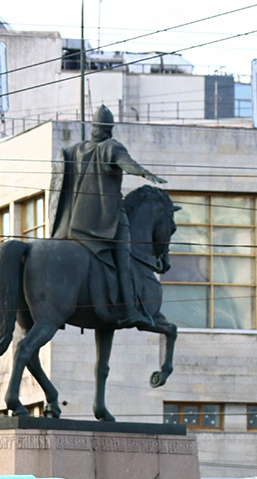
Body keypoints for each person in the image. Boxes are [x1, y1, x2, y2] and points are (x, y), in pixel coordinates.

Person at [50, 104, 169, 330]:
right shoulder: (110, 147)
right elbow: (126, 163)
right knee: (124, 260)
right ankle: (131, 310)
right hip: (108, 221)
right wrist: (144, 173)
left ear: (93, 127)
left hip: (75, 224)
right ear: (109, 129)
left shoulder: (77, 149)